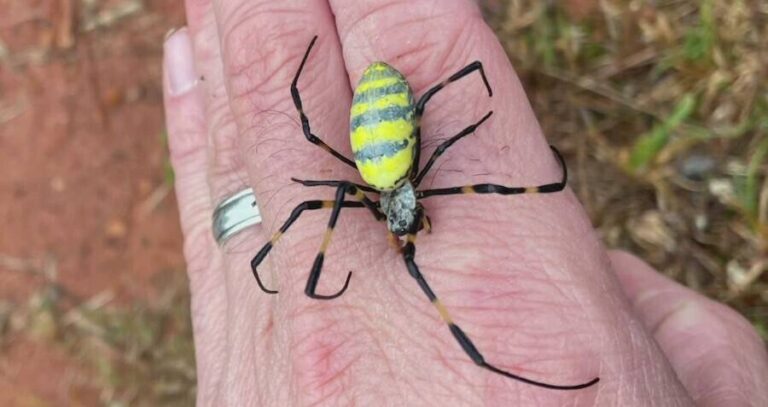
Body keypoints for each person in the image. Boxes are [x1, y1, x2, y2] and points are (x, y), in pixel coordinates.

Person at [161, 0, 768, 405]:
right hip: (387, 148)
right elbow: (312, 201)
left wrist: (539, 182)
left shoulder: (377, 192)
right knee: (328, 196)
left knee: (402, 184)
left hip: (382, 153)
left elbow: (488, 181)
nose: (407, 225)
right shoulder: (396, 189)